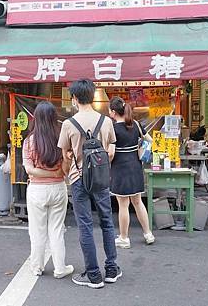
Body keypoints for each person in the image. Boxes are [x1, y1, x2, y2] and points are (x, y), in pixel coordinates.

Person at [58, 79, 121, 289]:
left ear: (74, 98)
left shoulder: (68, 124)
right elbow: (110, 151)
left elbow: (65, 156)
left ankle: (93, 274)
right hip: (102, 178)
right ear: (93, 96)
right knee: (106, 221)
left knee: (85, 225)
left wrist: (70, 168)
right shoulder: (106, 121)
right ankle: (111, 269)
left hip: (78, 179)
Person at [23, 101, 74, 279]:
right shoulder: (61, 139)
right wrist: (55, 172)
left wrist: (42, 173)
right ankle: (60, 268)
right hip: (58, 188)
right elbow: (65, 169)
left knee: (37, 230)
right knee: (57, 229)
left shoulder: (29, 141)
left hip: (36, 190)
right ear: (54, 118)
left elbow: (29, 169)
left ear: (35, 118)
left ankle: (37, 267)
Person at [108, 97, 155, 249]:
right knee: (137, 201)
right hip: (135, 166)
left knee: (123, 204)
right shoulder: (135, 124)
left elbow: (111, 154)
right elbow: (150, 140)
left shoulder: (113, 129)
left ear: (114, 112)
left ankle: (124, 238)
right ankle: (148, 234)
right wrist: (140, 148)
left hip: (120, 169)